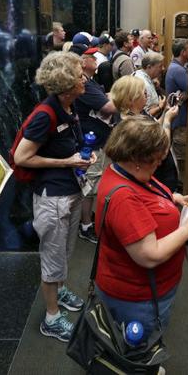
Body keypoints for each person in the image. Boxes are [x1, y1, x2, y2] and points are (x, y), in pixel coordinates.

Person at [94, 116, 188, 343]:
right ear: (138, 159)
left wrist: (175, 198)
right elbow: (149, 255)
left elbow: (149, 192)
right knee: (138, 349)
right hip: (138, 297)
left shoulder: (127, 172)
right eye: (156, 160)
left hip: (149, 288)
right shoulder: (123, 198)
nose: (159, 164)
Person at [13, 51, 91, 342]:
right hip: (52, 197)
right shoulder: (45, 114)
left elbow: (68, 143)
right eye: (79, 74)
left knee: (65, 252)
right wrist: (67, 162)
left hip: (69, 191)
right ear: (67, 83)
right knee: (52, 256)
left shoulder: (68, 106)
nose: (84, 78)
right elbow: (22, 157)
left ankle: (59, 290)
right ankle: (51, 317)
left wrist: (82, 155)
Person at [110, 76, 179, 192]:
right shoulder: (132, 126)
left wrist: (165, 112)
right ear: (131, 99)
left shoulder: (138, 113)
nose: (146, 94)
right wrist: (167, 121)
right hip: (154, 180)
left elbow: (155, 126)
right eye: (143, 92)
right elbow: (162, 150)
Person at [76, 48, 117, 243]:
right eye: (92, 57)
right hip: (89, 142)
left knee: (92, 182)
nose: (96, 59)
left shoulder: (90, 82)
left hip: (94, 139)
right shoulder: (84, 83)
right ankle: (85, 225)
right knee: (89, 184)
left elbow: (103, 98)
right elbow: (107, 106)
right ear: (83, 62)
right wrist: (122, 97)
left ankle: (86, 220)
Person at [165, 39, 188, 183]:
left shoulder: (176, 67)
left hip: (179, 121)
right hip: (180, 123)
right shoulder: (178, 70)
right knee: (182, 160)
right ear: (183, 52)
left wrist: (187, 93)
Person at [134, 51, 166, 118]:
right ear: (149, 67)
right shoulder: (145, 85)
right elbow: (143, 115)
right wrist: (160, 107)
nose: (163, 69)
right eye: (160, 66)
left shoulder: (139, 73)